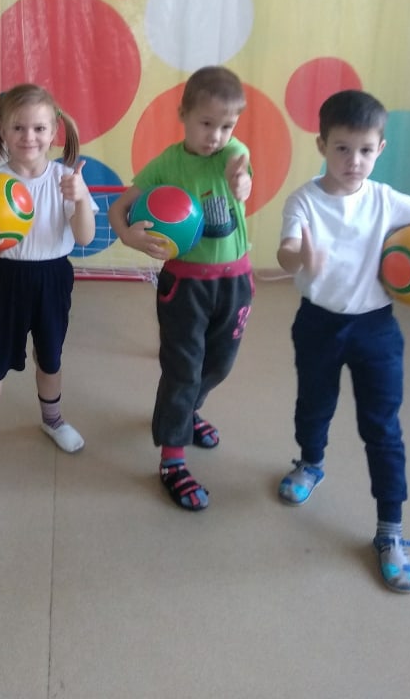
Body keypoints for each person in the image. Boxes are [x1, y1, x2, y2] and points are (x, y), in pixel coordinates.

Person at [276, 89, 410, 593]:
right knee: (313, 405)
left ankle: (390, 531)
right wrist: (301, 257)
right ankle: (310, 463)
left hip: (376, 329)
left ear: (381, 149)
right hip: (317, 324)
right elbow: (287, 250)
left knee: (382, 427)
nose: (353, 161)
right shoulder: (304, 201)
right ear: (321, 145)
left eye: (365, 150)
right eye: (341, 148)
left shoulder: (386, 199)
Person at [0, 84, 98, 536]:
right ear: (2, 129)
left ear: (54, 132)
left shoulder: (66, 178)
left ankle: (52, 420)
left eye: (39, 128)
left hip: (54, 279)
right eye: (18, 127)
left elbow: (86, 237)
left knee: (50, 360)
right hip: (7, 284)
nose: (29, 136)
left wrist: (79, 197)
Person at [108, 66, 253, 512]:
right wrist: (129, 236)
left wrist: (243, 182)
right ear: (183, 115)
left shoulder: (233, 153)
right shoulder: (167, 164)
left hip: (235, 280)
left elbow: (242, 172)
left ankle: (187, 411)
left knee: (219, 364)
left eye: (227, 125)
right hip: (185, 285)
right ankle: (172, 458)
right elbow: (119, 208)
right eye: (206, 123)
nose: (216, 135)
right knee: (182, 369)